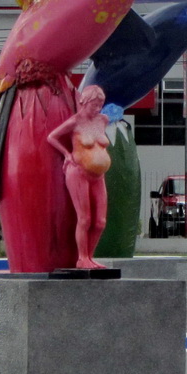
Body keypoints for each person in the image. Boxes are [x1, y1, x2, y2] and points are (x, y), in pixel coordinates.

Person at [47, 84, 111, 269]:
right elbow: (52, 137)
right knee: (85, 218)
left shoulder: (103, 120)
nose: (97, 108)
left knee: (100, 221)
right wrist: (67, 154)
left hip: (98, 175)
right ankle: (82, 258)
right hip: (79, 172)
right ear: (84, 102)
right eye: (94, 104)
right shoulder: (75, 121)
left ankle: (90, 256)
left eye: (100, 104)